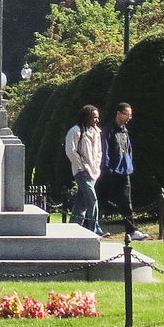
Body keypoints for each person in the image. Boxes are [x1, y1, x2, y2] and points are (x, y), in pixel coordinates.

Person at [101, 102, 149, 241]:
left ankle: (132, 231)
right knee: (101, 201)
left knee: (126, 203)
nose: (129, 118)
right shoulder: (108, 130)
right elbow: (105, 151)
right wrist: (107, 169)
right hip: (110, 172)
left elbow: (128, 150)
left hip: (124, 171)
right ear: (119, 113)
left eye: (130, 115)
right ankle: (90, 227)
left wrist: (129, 166)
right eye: (127, 114)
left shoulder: (125, 130)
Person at [62, 104, 103, 234]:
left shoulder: (96, 132)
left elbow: (99, 152)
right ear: (87, 117)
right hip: (82, 172)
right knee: (92, 199)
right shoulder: (75, 131)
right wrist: (81, 167)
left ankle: (73, 228)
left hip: (94, 171)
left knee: (82, 202)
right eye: (94, 117)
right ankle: (95, 229)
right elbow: (71, 151)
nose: (97, 120)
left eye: (97, 117)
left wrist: (96, 167)